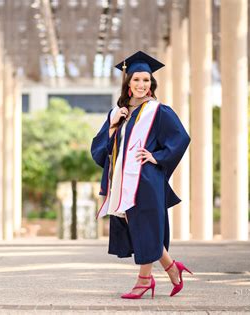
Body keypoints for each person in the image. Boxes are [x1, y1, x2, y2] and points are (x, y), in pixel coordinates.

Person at [91, 50, 192, 299]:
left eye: (146, 80)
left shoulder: (158, 111)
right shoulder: (119, 114)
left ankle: (144, 280)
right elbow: (99, 149)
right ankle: (171, 268)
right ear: (128, 84)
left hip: (145, 180)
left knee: (144, 227)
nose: (141, 84)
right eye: (136, 79)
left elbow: (181, 138)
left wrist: (157, 157)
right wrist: (114, 125)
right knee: (139, 227)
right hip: (122, 183)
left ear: (151, 84)